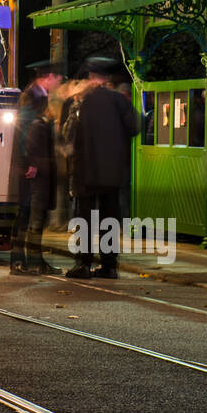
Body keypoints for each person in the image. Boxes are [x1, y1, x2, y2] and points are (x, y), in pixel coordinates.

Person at [64, 57, 140, 279]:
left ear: (90, 77)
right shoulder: (119, 100)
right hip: (112, 171)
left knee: (84, 218)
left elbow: (68, 134)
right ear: (107, 79)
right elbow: (135, 127)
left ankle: (83, 264)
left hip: (85, 170)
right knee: (110, 217)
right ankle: (109, 265)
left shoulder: (80, 101)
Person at [8, 61, 66, 276]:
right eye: (58, 80)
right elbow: (25, 132)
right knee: (32, 215)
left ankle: (26, 260)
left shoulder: (33, 95)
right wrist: (29, 163)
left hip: (33, 165)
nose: (58, 84)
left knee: (28, 214)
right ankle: (28, 261)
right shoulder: (34, 97)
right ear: (49, 77)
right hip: (33, 167)